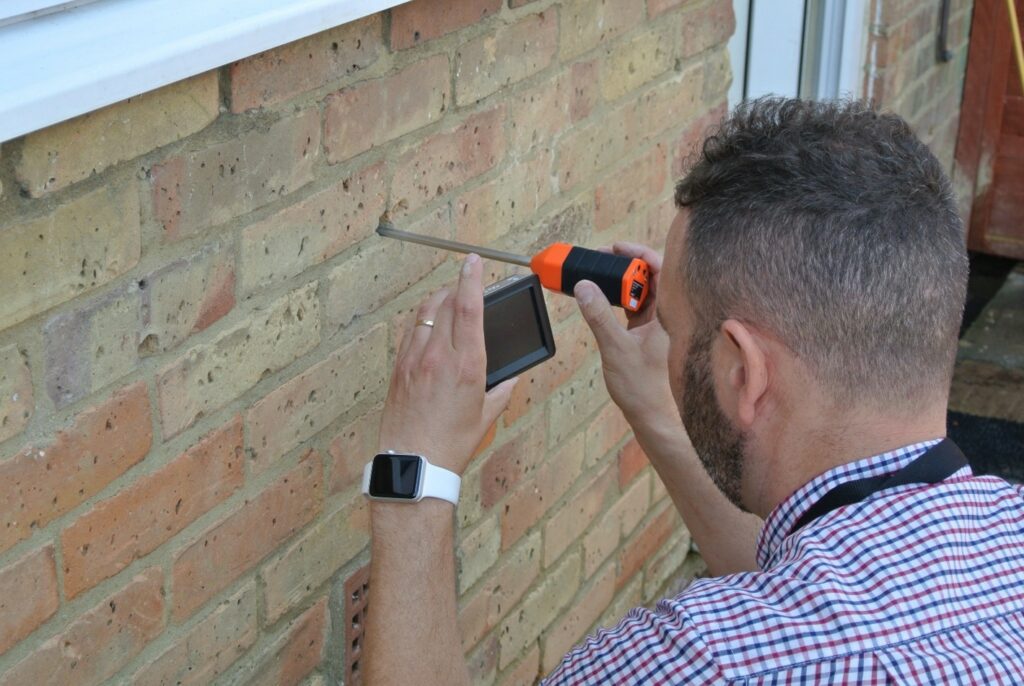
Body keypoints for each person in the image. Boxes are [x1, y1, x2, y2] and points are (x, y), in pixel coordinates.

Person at [362, 98, 1024, 684]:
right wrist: (658, 404)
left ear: (744, 373)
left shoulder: (695, 663)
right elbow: (819, 581)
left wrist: (416, 473)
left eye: (676, 331)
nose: (667, 346)